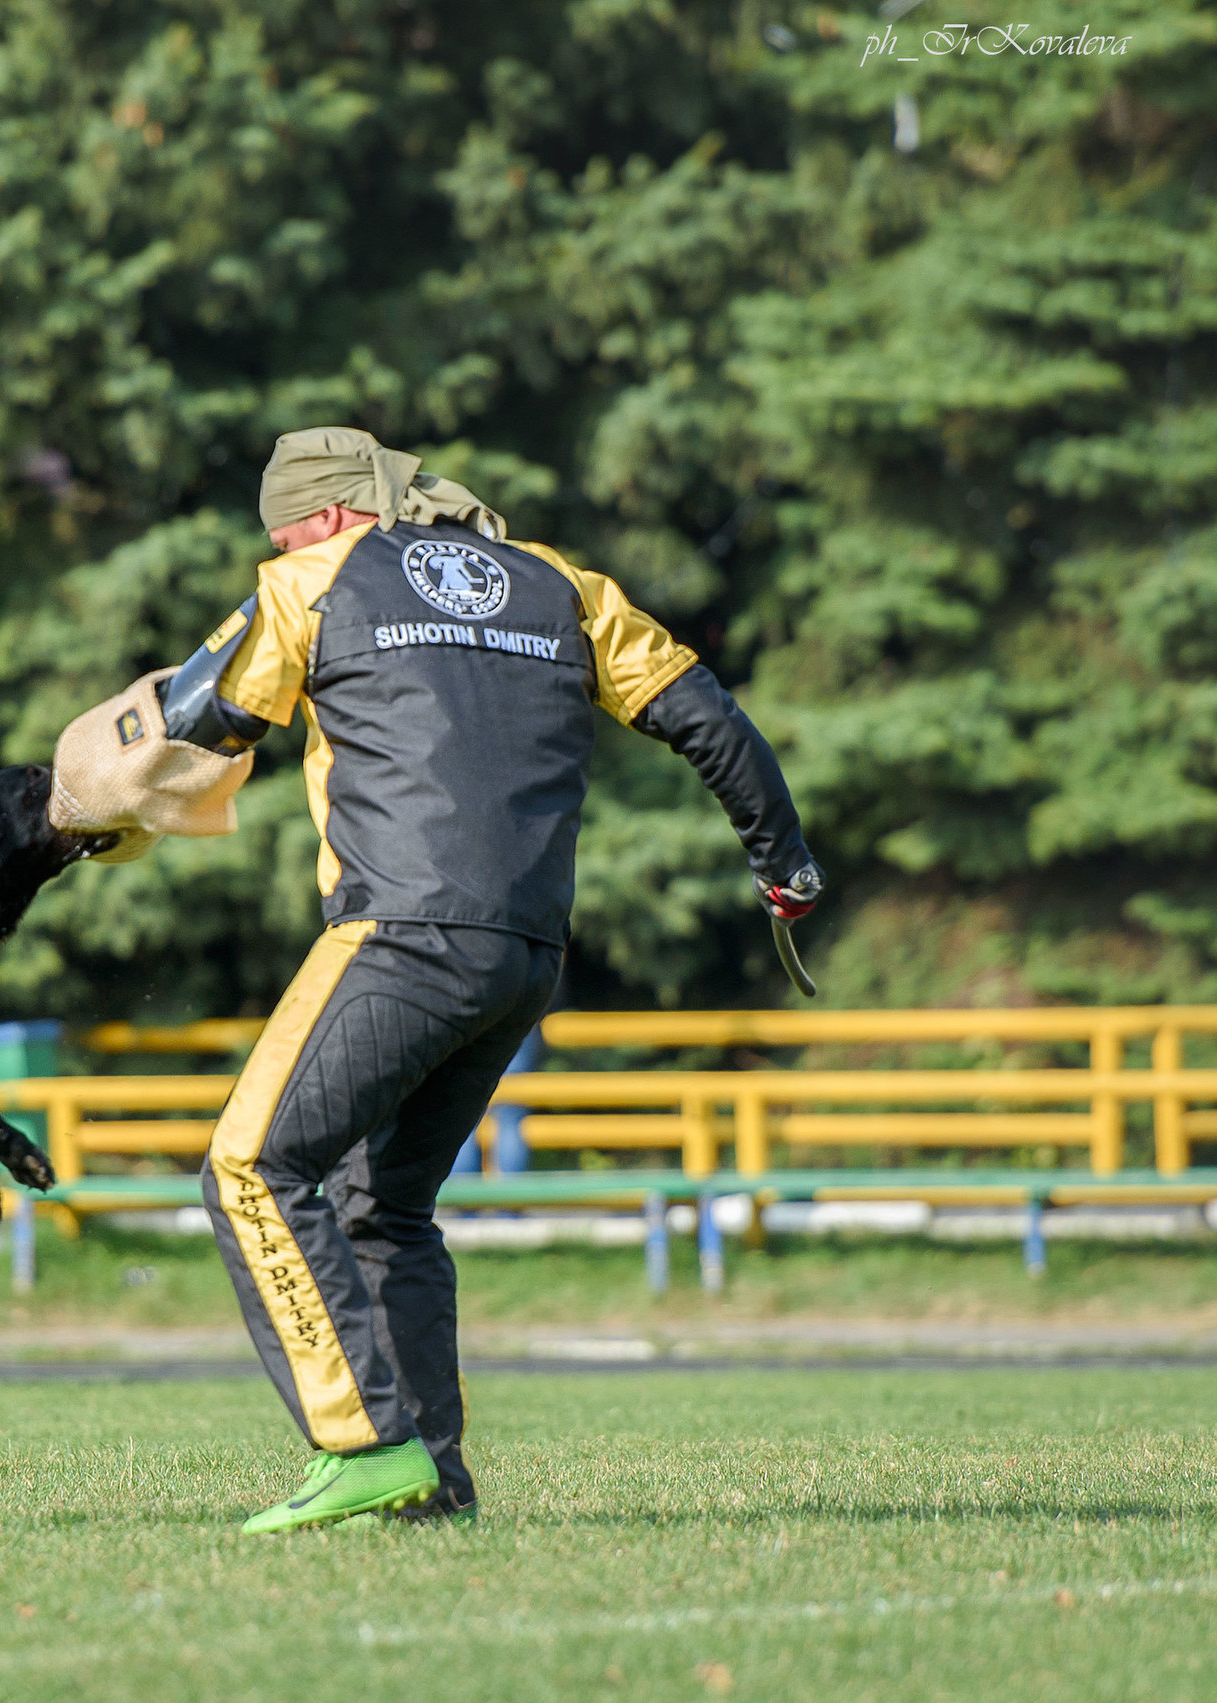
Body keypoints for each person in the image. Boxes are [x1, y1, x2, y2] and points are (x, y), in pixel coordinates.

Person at [49, 428, 821, 1531]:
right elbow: (708, 717)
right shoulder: (562, 584)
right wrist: (781, 863)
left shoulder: (311, 582)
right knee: (383, 1204)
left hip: (401, 932)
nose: (280, 548)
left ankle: (361, 1441)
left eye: (285, 530)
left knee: (250, 1167)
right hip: (524, 953)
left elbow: (195, 724)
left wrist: (67, 816)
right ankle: (432, 1483)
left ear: (329, 516)